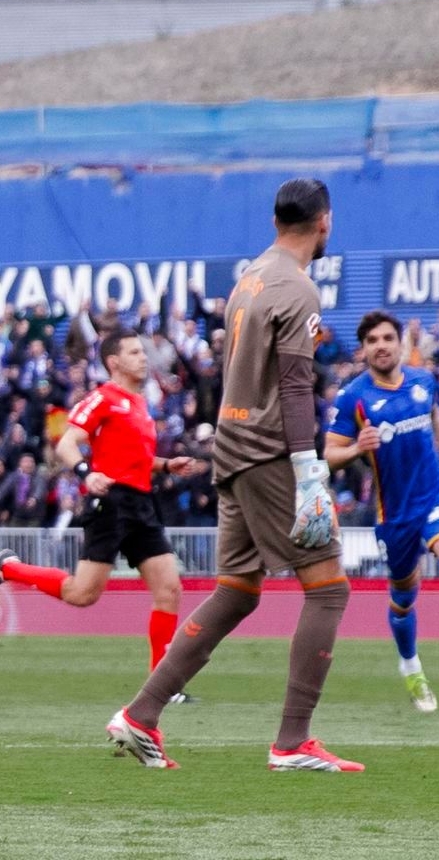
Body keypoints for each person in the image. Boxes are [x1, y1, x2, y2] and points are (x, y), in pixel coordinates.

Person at [106, 179, 360, 773]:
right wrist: (308, 467)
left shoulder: (250, 277)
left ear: (277, 220)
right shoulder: (297, 287)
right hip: (271, 451)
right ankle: (292, 742)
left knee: (237, 592)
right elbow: (296, 384)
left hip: (232, 447)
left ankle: (140, 715)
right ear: (324, 221)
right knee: (328, 589)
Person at [0, 330, 202, 693]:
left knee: (170, 589)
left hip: (141, 502)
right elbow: (67, 443)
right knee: (82, 594)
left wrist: (166, 465)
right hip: (109, 502)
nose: (144, 357)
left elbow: (133, 458)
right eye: (135, 352)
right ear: (114, 362)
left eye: (143, 351)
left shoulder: (139, 403)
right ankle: (8, 567)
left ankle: (163, 686)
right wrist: (86, 472)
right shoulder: (103, 397)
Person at [323, 311, 439, 712]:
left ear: (399, 343)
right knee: (403, 596)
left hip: (435, 491)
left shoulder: (422, 379)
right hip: (394, 511)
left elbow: (435, 415)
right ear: (363, 350)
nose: (380, 345)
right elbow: (329, 455)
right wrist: (357, 449)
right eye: (372, 341)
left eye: (387, 338)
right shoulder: (353, 397)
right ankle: (411, 667)